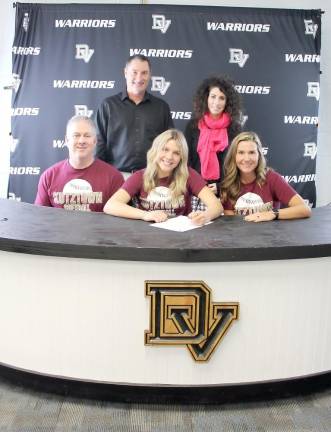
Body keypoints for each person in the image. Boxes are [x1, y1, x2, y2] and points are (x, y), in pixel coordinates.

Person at [103, 129, 223, 225]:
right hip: (146, 237)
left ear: (182, 157)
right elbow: (110, 206)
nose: (169, 157)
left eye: (176, 153)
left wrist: (205, 216)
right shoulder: (140, 176)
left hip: (180, 237)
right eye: (165, 150)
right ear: (155, 150)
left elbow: (216, 206)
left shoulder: (189, 174)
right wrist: (145, 215)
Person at [95, 54, 174, 176]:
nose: (139, 78)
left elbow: (170, 144)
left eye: (144, 73)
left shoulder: (161, 107)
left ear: (150, 75)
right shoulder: (108, 106)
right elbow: (98, 145)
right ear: (125, 72)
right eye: (134, 72)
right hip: (116, 177)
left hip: (151, 177)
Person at [35, 115, 124, 212]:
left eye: (87, 136)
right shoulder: (49, 176)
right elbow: (40, 217)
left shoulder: (113, 177)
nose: (82, 141)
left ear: (94, 141)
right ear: (67, 140)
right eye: (76, 135)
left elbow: (118, 221)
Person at [221, 131, 311, 222]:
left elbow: (305, 209)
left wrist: (273, 213)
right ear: (234, 156)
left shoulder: (272, 179)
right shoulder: (228, 184)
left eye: (252, 152)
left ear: (259, 155)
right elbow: (231, 222)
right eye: (241, 152)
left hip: (269, 234)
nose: (247, 158)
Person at [185, 75, 243, 195]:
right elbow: (186, 161)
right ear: (206, 98)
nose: (216, 102)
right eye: (213, 97)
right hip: (196, 190)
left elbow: (237, 165)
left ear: (227, 102)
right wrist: (198, 186)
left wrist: (221, 187)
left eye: (222, 98)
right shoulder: (193, 126)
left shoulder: (235, 129)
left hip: (225, 191)